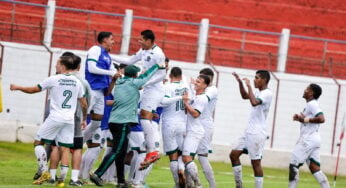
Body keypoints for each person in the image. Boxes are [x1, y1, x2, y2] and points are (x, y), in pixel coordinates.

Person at [10, 55, 87, 185]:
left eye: (57, 63)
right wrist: (84, 117)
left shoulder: (54, 79)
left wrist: (18, 87)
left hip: (55, 117)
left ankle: (45, 172)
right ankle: (62, 179)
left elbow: (34, 89)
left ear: (63, 66)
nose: (55, 66)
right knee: (65, 148)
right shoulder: (77, 82)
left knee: (38, 142)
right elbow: (84, 103)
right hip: (69, 120)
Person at [89, 63, 163, 187]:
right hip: (122, 122)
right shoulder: (133, 83)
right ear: (134, 75)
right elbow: (146, 76)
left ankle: (121, 181)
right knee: (117, 151)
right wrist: (156, 66)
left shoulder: (120, 82)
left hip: (115, 121)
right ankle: (98, 174)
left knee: (121, 153)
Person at [112, 30, 166, 168]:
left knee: (144, 118)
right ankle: (152, 151)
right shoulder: (143, 51)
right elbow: (129, 61)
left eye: (141, 40)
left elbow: (162, 75)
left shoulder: (158, 53)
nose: (139, 42)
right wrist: (109, 56)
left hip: (155, 89)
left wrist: (145, 83)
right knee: (145, 117)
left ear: (149, 41)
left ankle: (153, 151)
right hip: (148, 88)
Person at [46, 52, 91, 187]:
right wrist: (85, 117)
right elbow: (87, 101)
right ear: (78, 66)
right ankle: (74, 178)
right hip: (75, 117)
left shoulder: (56, 78)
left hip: (58, 116)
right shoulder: (82, 82)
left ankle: (52, 176)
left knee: (56, 146)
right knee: (77, 148)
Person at [81, 31, 118, 180]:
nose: (113, 42)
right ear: (104, 40)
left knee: (96, 123)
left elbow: (110, 83)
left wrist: (114, 77)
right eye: (111, 39)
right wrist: (110, 73)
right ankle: (76, 142)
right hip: (92, 91)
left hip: (101, 94)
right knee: (96, 145)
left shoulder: (108, 57)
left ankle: (79, 141)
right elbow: (91, 68)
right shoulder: (95, 50)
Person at [229, 70, 272, 188]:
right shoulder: (258, 91)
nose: (254, 80)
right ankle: (239, 186)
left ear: (264, 80)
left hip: (257, 133)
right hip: (248, 131)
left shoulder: (267, 93)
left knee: (256, 163)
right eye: (254, 77)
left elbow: (254, 102)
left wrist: (249, 86)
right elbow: (244, 96)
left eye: (257, 78)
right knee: (233, 155)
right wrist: (240, 83)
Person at [289, 84, 330, 188]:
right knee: (314, 168)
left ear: (311, 93)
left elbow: (321, 119)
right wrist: (298, 118)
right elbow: (305, 119)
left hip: (308, 139)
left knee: (294, 165)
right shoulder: (309, 105)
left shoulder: (312, 104)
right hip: (314, 138)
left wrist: (304, 119)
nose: (305, 90)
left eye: (307, 89)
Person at [160, 67, 190, 187]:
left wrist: (178, 97)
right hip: (182, 123)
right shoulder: (186, 87)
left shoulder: (168, 86)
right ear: (181, 76)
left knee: (173, 156)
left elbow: (163, 101)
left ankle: (177, 183)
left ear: (170, 75)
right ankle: (181, 170)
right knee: (181, 153)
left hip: (169, 124)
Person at [182, 74, 210, 188]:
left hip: (195, 131)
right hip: (190, 130)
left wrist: (185, 103)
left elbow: (195, 114)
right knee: (188, 158)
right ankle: (189, 184)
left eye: (199, 82)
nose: (196, 83)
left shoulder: (203, 98)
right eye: (196, 81)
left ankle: (198, 184)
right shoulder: (196, 96)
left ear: (205, 85)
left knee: (186, 157)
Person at [197, 68, 217, 188]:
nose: (199, 80)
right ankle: (191, 183)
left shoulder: (212, 90)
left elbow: (204, 98)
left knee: (202, 156)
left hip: (205, 125)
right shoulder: (203, 88)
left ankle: (212, 185)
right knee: (187, 154)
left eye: (202, 78)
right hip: (196, 124)